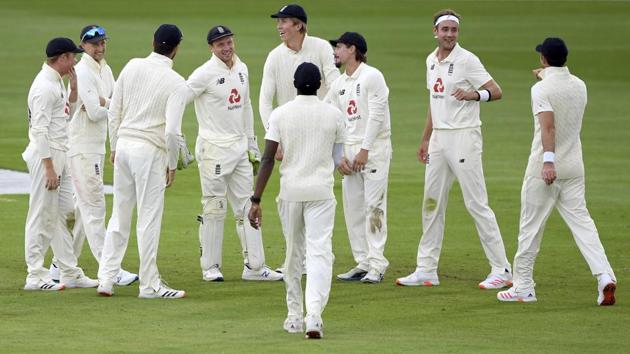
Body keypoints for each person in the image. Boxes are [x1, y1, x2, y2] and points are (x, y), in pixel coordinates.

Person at [396, 9, 512, 289]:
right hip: (439, 139)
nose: (449, 35)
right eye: (444, 30)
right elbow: (433, 103)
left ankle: (502, 269)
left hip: (463, 137)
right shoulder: (430, 61)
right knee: (431, 202)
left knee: (476, 203)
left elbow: (496, 91)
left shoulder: (467, 60)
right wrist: (425, 139)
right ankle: (426, 268)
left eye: (453, 30)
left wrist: (474, 95)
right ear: (435, 32)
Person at [497, 38, 616, 305]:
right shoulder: (579, 85)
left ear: (543, 59)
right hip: (574, 166)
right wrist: (546, 77)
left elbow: (549, 127)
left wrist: (548, 162)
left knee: (530, 228)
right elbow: (562, 93)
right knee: (583, 225)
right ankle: (604, 276)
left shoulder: (541, 90)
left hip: (545, 167)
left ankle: (523, 287)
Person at [248, 62, 345, 339]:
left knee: (293, 253)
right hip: (321, 194)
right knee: (320, 253)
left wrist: (256, 199)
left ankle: (294, 316)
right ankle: (314, 315)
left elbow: (268, 159)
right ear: (319, 85)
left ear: (294, 84)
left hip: (290, 193)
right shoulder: (334, 115)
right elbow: (339, 160)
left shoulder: (280, 114)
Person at [97, 24, 189, 299]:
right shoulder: (177, 83)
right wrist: (172, 164)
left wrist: (114, 145)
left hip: (124, 145)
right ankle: (149, 285)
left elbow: (115, 109)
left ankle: (106, 278)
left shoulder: (133, 65)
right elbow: (172, 131)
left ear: (153, 42)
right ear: (176, 49)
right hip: (149, 151)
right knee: (148, 219)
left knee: (119, 215)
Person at [183, 25, 282, 282]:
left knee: (249, 205)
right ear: (211, 48)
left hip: (239, 150)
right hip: (214, 150)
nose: (226, 48)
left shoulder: (242, 68)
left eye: (228, 42)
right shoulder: (203, 74)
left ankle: (255, 267)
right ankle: (210, 267)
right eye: (220, 44)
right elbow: (178, 98)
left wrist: (252, 144)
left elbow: (246, 106)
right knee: (215, 207)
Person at [48, 25, 138, 286]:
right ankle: (110, 269)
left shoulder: (106, 69)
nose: (99, 48)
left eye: (102, 43)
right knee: (95, 207)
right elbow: (98, 111)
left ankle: (61, 265)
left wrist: (104, 104)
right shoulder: (84, 71)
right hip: (82, 147)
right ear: (83, 46)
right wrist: (106, 104)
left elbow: (108, 104)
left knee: (82, 208)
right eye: (93, 44)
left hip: (95, 146)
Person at [23, 37, 99, 291]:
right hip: (47, 156)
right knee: (41, 214)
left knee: (65, 212)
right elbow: (40, 130)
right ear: (63, 58)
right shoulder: (44, 86)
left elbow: (65, 115)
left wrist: (74, 90)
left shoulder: (56, 83)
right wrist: (48, 167)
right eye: (72, 56)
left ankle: (68, 271)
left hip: (60, 154)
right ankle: (35, 275)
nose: (75, 61)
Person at [325, 32, 392, 283]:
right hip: (351, 150)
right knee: (353, 209)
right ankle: (363, 261)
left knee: (374, 207)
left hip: (374, 149)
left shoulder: (372, 76)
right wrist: (338, 155)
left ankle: (377, 264)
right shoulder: (340, 83)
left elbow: (377, 114)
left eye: (339, 47)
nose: (335, 52)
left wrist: (365, 149)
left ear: (352, 49)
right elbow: (330, 116)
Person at [260, 3, 340, 158]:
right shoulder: (274, 57)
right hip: (290, 130)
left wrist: (320, 113)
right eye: (278, 22)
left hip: (321, 127)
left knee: (321, 178)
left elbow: (335, 86)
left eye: (283, 22)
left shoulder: (322, 47)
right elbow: (264, 101)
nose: (278, 26)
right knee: (291, 178)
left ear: (298, 25)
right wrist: (272, 136)